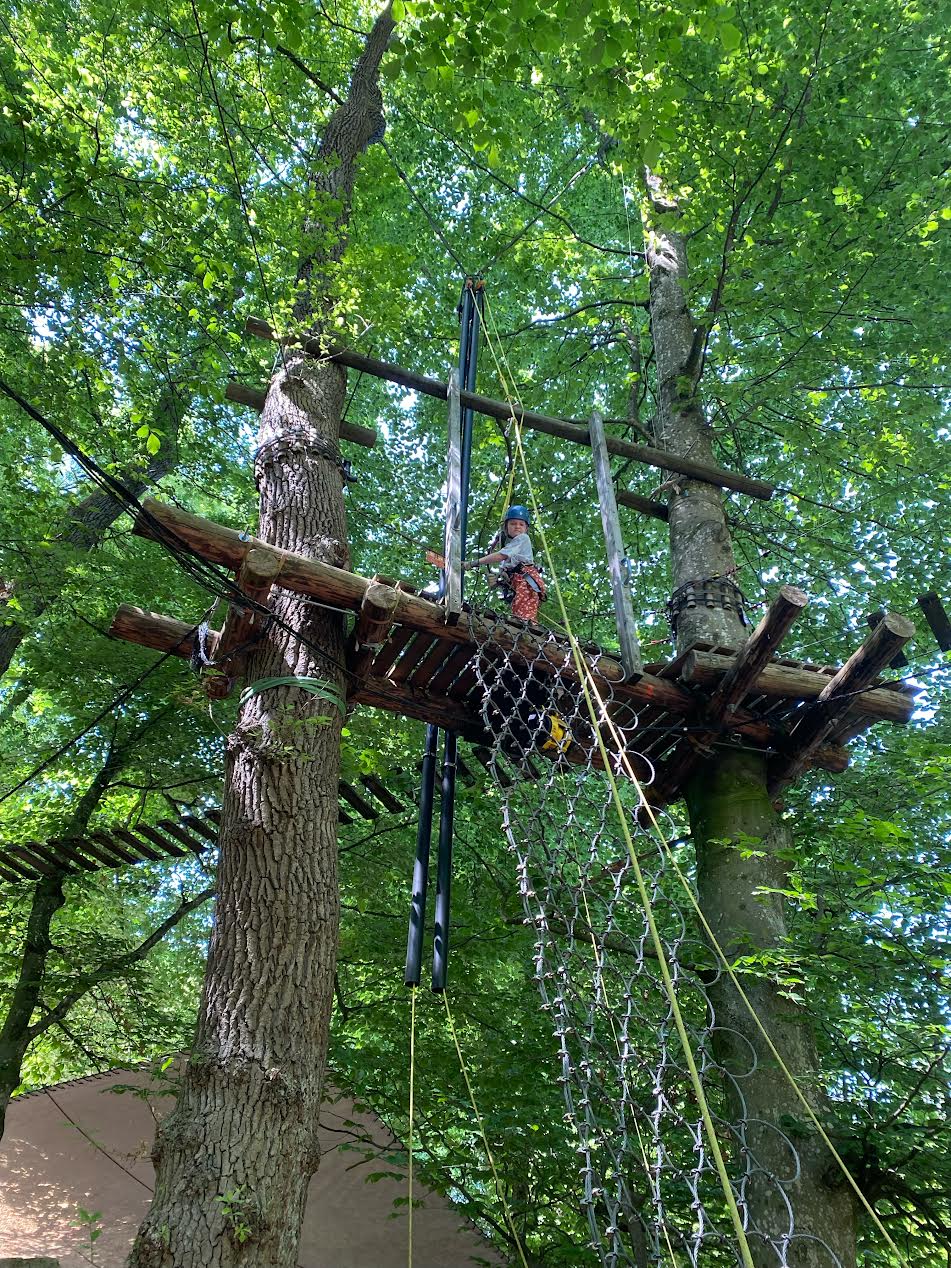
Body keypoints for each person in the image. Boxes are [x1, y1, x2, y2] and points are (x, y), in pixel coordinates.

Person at [464, 505, 546, 622]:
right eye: (513, 523)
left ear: (526, 528)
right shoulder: (513, 548)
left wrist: (474, 563)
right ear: (506, 527)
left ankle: (528, 629)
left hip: (527, 581)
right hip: (520, 582)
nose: (517, 526)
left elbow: (501, 555)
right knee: (519, 610)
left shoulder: (523, 538)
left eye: (521, 524)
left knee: (524, 614)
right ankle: (526, 628)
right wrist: (497, 582)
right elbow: (507, 574)